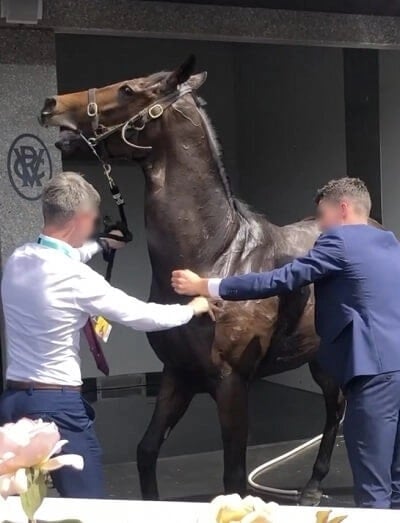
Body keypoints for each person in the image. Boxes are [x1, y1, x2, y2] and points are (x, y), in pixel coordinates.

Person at [172, 177, 400, 509]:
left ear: (343, 209)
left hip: (371, 376)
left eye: (322, 215)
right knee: (395, 479)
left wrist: (207, 285)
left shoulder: (338, 241)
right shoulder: (389, 242)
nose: (319, 225)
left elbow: (281, 279)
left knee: (373, 487)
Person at [0, 172, 210, 499]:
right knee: (89, 506)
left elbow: (63, 253)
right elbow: (142, 315)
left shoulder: (18, 259)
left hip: (13, 403)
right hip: (58, 408)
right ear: (81, 219)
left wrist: (102, 244)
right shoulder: (76, 278)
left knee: (20, 506)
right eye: (94, 221)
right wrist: (193, 307)